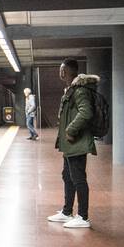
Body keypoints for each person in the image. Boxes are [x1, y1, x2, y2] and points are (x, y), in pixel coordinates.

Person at [48, 59, 98, 229]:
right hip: (70, 145)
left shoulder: (79, 91)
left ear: (66, 71)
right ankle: (67, 211)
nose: (59, 72)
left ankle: (83, 217)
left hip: (77, 143)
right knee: (67, 176)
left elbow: (86, 112)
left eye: (61, 68)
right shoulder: (71, 90)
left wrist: (70, 130)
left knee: (78, 178)